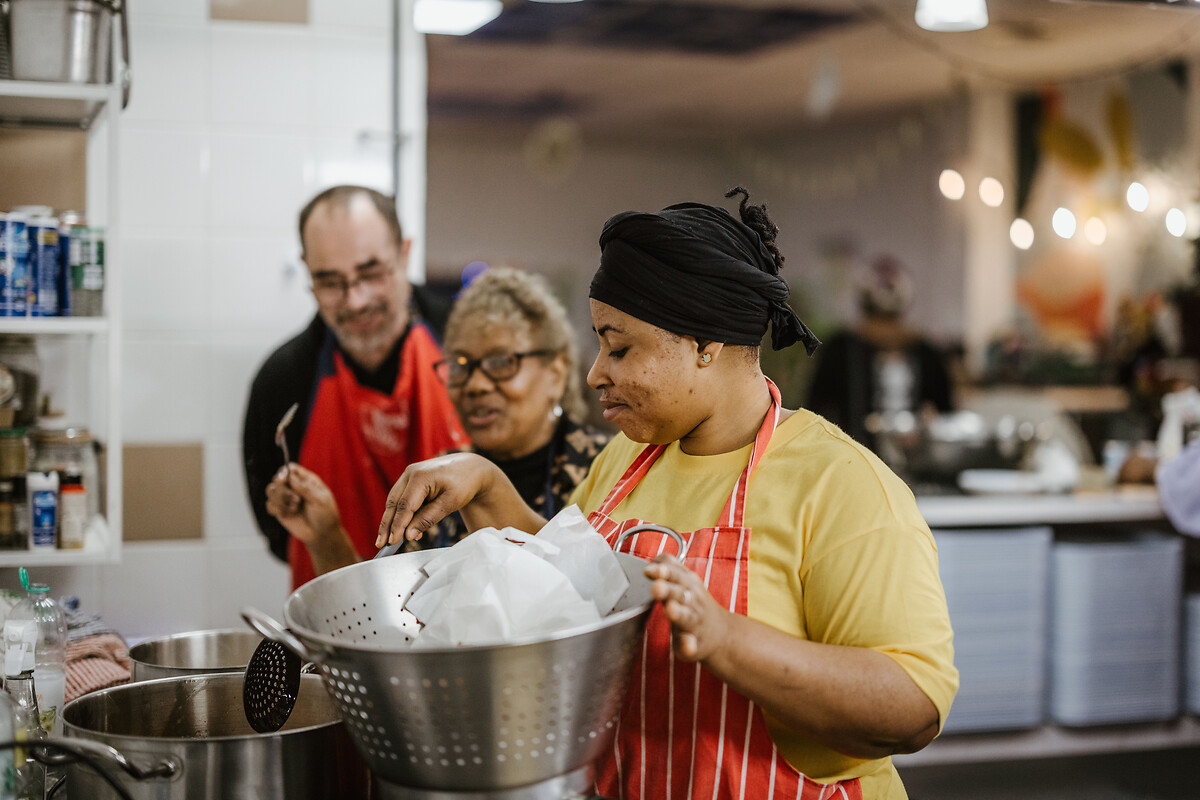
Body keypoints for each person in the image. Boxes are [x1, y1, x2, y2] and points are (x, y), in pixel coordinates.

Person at [377, 188, 958, 799]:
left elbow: (912, 708)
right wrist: (485, 484)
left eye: (619, 346)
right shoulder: (630, 456)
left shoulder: (841, 485)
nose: (596, 372)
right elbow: (563, 588)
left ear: (706, 344)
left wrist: (728, 639)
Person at [241, 185, 468, 588]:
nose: (356, 300)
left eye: (370, 273)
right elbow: (277, 533)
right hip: (336, 627)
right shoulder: (281, 381)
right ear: (308, 272)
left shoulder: (470, 345)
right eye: (330, 282)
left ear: (404, 254)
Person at [437, 267, 610, 524]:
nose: (475, 385)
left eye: (500, 362)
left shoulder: (607, 469)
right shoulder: (442, 477)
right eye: (461, 365)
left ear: (556, 373)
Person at [805, 254, 954, 449]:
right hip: (853, 455)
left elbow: (946, 411)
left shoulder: (927, 353)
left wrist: (931, 422)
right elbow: (817, 407)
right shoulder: (841, 350)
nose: (885, 335)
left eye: (890, 323)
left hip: (917, 458)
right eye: (877, 323)